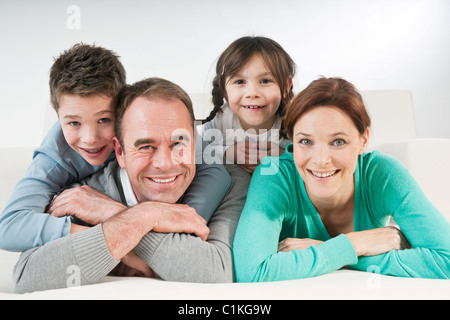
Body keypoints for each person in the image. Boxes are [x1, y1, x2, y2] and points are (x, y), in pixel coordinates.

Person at [13, 77, 251, 293]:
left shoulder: (231, 183)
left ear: (195, 141)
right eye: (146, 146)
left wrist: (119, 216)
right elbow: (29, 277)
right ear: (120, 152)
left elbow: (217, 272)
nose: (164, 164)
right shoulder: (81, 197)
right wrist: (147, 217)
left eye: (179, 143)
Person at [0, 43, 230, 252]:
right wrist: (106, 237)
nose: (90, 139)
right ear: (56, 111)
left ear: (122, 108)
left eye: (104, 120)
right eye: (73, 123)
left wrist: (173, 221)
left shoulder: (155, 130)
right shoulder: (55, 157)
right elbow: (9, 227)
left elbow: (215, 172)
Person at [233, 77, 450, 281]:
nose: (320, 160)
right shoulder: (275, 176)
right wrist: (356, 243)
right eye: (306, 142)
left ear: (363, 140)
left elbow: (446, 260)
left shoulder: (382, 174)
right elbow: (251, 272)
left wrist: (330, 251)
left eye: (338, 142)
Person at [197, 36, 296, 174]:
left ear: (286, 86)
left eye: (265, 80)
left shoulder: (295, 121)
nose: (252, 93)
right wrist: (227, 153)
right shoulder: (219, 118)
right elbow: (200, 153)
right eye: (239, 82)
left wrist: (283, 157)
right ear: (224, 90)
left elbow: (313, 156)